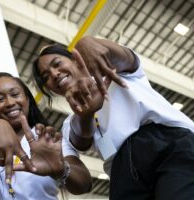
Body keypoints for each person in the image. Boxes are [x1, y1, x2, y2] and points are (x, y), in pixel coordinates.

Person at [32, 36, 194, 200]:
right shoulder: (70, 122)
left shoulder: (113, 71)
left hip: (167, 143)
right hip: (122, 172)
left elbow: (127, 58)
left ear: (75, 59)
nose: (54, 74)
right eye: (45, 76)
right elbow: (81, 140)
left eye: (57, 63)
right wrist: (86, 113)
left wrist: (86, 43)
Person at [0, 72, 92, 200]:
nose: (10, 103)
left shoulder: (47, 138)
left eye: (15, 94)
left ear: (27, 99)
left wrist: (61, 169)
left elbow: (84, 185)